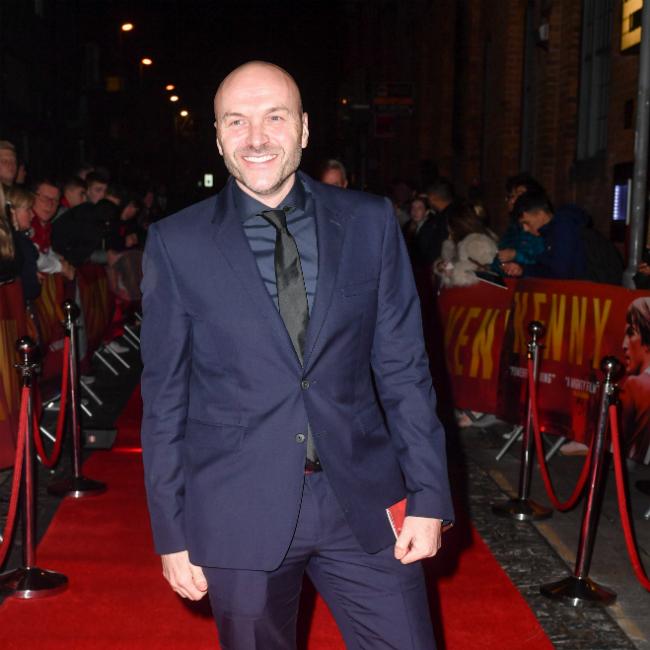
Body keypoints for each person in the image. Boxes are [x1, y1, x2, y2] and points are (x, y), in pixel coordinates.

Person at [140, 60, 453, 650]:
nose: (256, 138)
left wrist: (428, 496)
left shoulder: (369, 223)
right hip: (237, 507)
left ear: (304, 128)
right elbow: (163, 400)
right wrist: (172, 532)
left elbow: (404, 370)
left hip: (363, 498)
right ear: (217, 137)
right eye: (237, 121)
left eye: (274, 118)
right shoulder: (177, 242)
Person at [501, 190, 588, 280]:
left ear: (540, 214)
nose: (525, 229)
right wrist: (522, 270)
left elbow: (561, 275)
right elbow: (548, 270)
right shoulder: (548, 232)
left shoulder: (564, 226)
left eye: (526, 222)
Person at [620, 297, 650, 466]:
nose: (624, 344)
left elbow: (617, 440)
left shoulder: (636, 385)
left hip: (632, 468)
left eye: (631, 333)